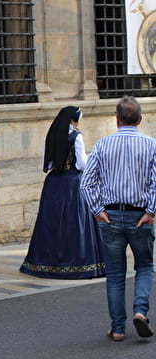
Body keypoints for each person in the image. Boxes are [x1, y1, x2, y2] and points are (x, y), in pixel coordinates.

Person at [80, 96, 156, 341]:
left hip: (110, 215)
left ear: (117, 119)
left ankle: (118, 328)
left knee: (114, 273)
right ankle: (140, 311)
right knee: (144, 266)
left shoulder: (103, 145)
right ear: (140, 119)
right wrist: (151, 211)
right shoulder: (151, 145)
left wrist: (97, 210)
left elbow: (86, 183)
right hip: (140, 215)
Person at [19, 106, 105, 279]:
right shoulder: (76, 137)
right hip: (72, 183)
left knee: (52, 223)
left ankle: (45, 264)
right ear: (74, 119)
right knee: (75, 222)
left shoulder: (51, 136)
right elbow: (81, 164)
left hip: (53, 184)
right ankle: (80, 263)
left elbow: (48, 164)